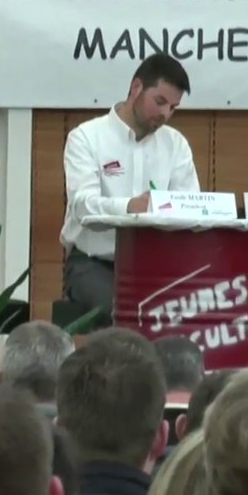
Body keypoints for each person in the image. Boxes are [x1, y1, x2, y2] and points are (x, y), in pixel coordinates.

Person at [59, 53, 199, 321]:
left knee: (193, 309)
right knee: (127, 313)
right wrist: (129, 207)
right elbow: (82, 206)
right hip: (94, 264)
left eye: (173, 107)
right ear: (136, 88)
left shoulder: (176, 144)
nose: (164, 114)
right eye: (159, 102)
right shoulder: (86, 137)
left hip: (156, 266)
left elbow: (188, 207)